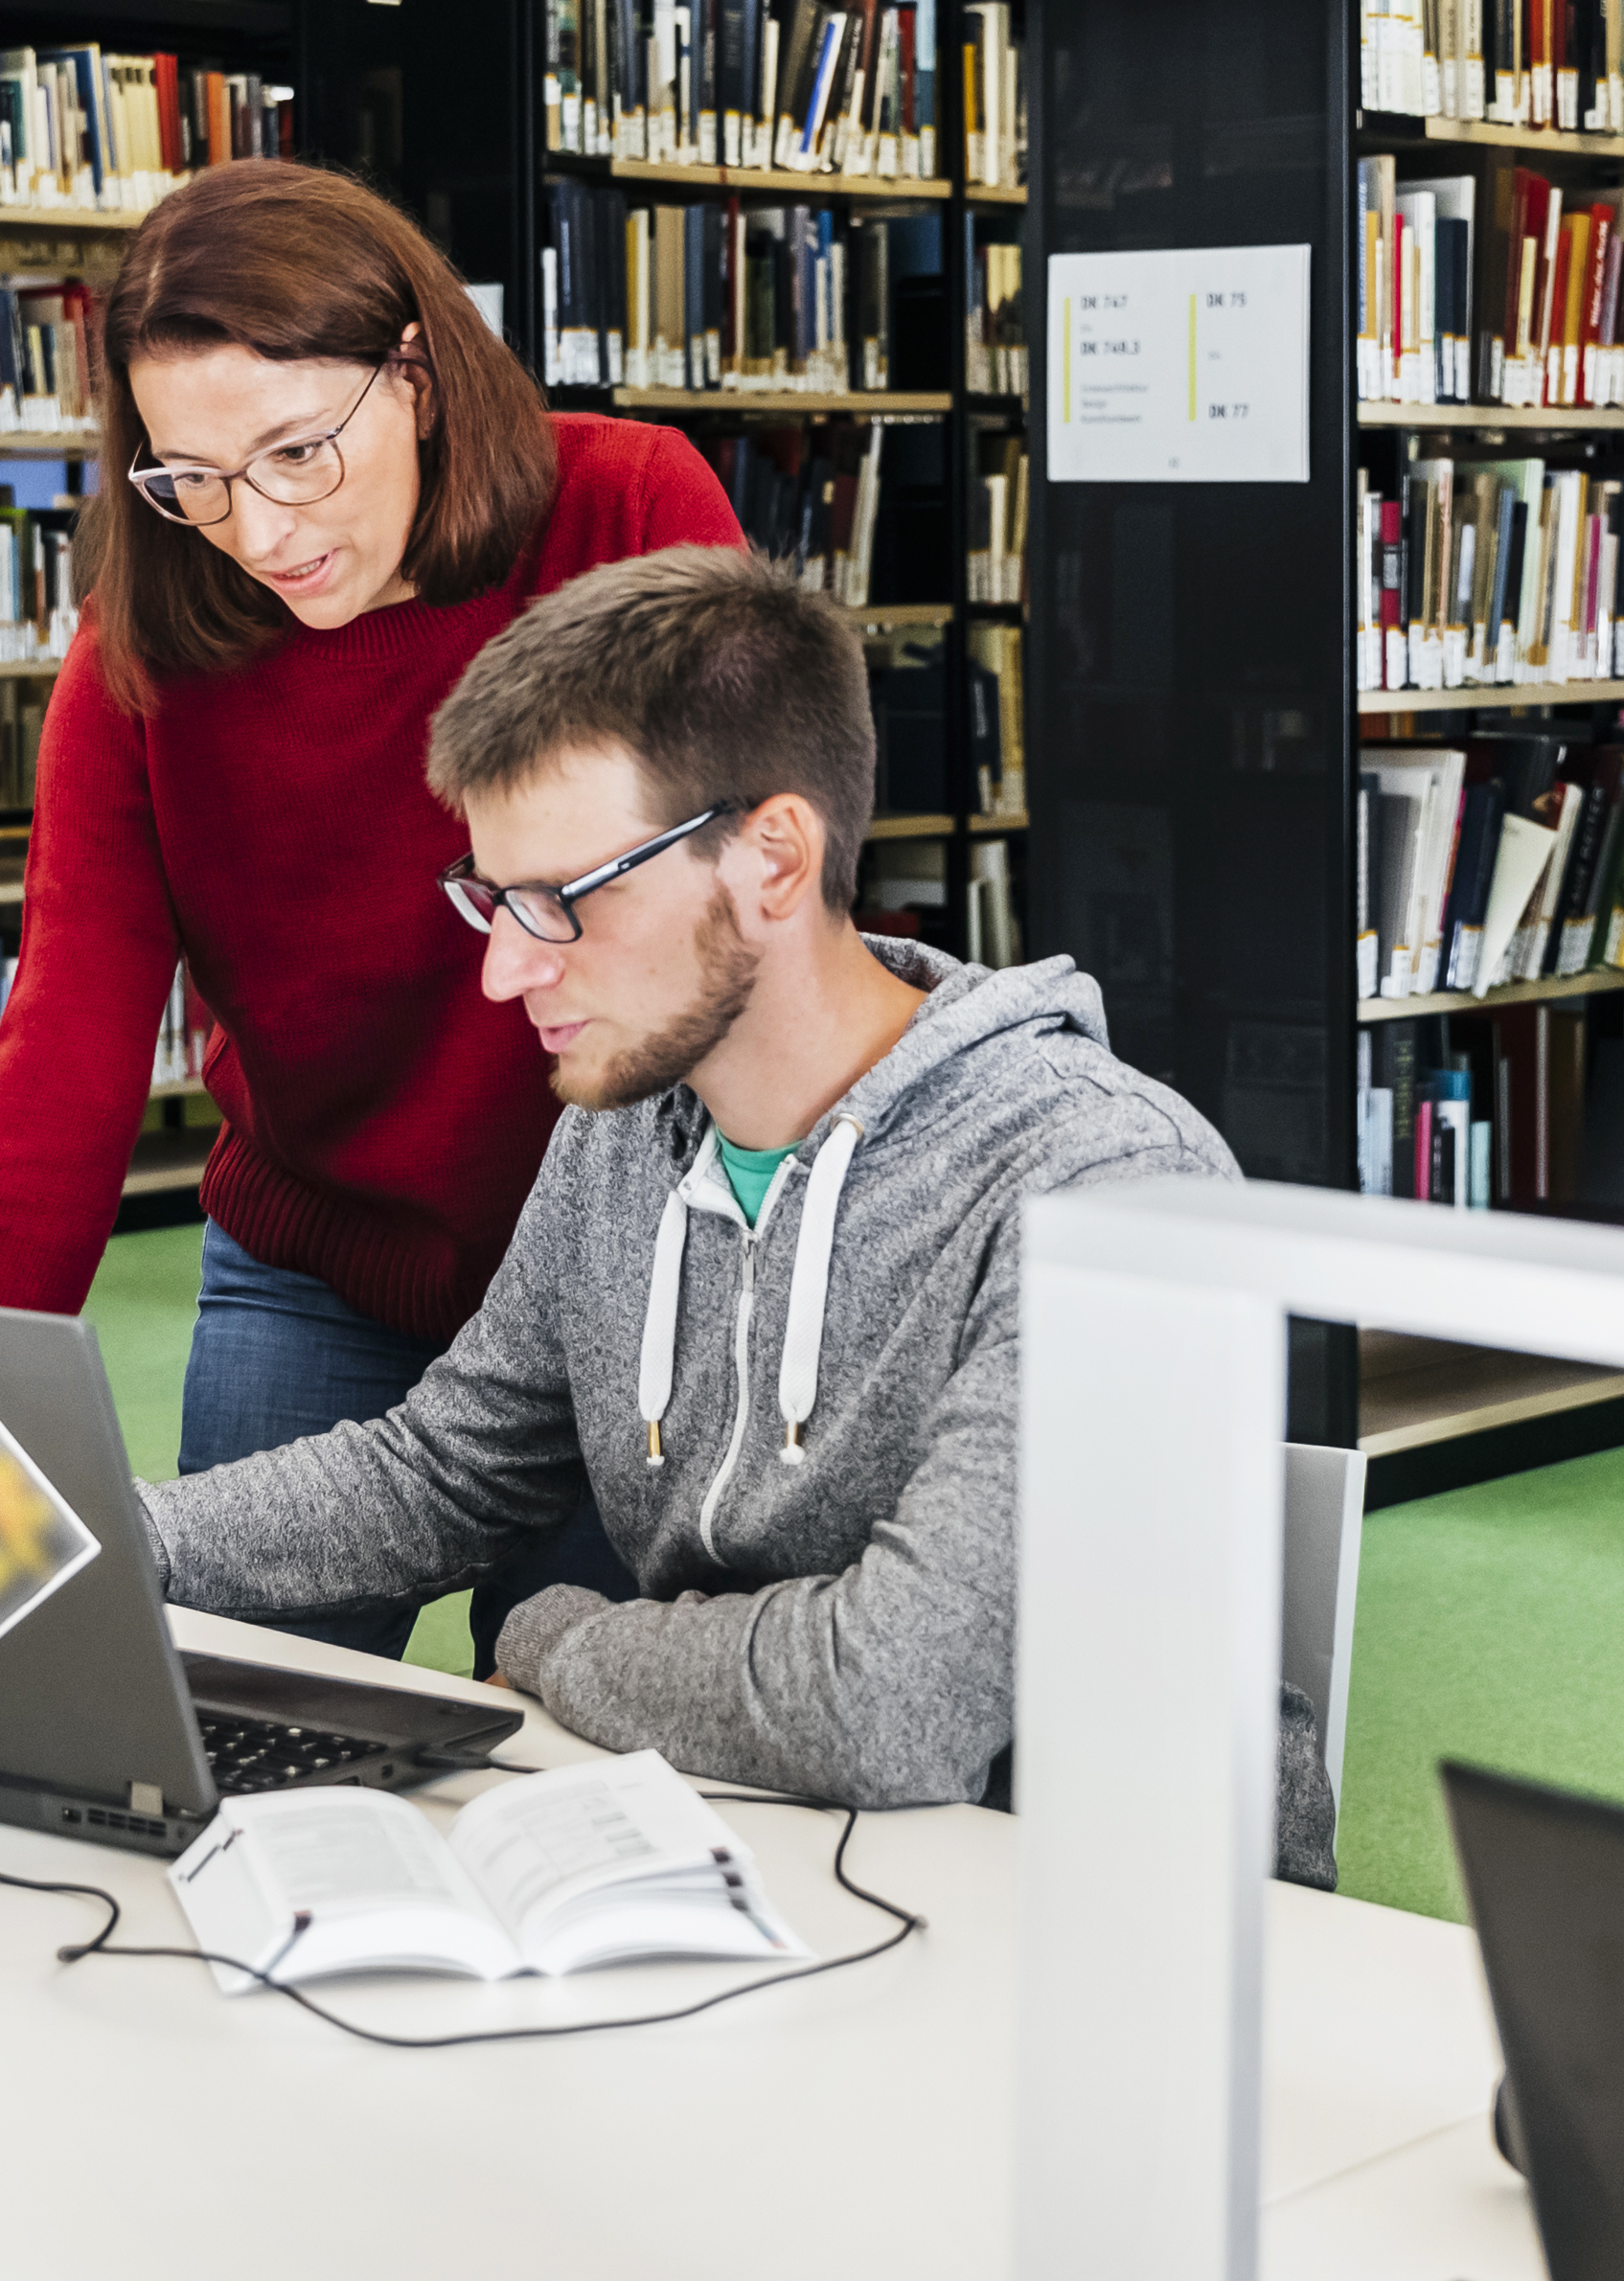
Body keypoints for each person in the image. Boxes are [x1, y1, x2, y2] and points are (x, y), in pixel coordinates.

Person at [136, 547, 1334, 1881]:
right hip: (766, 1842)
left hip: (1110, 1928)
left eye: (560, 903)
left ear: (771, 857)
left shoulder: (1109, 1185)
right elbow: (445, 1468)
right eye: (490, 895)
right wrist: (107, 1533)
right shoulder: (622, 1130)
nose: (501, 970)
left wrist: (553, 1636)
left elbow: (893, 1701)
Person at [0, 160, 744, 1659]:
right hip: (321, 1261)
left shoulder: (624, 506)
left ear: (415, 373)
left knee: (587, 1752)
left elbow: (725, 937)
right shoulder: (149, 635)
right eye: (193, 477)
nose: (258, 525)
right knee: (228, 1703)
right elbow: (64, 1048)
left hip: (623, 1288)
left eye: (299, 449)